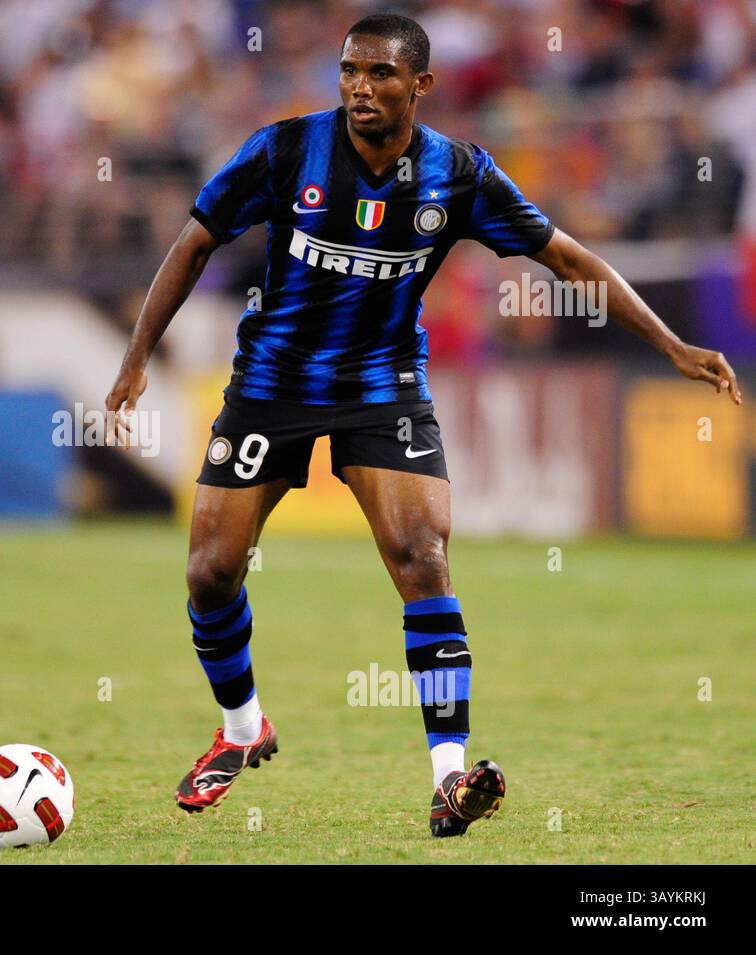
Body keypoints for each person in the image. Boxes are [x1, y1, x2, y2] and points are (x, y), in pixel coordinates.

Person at [105, 13, 740, 835]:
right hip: (273, 383)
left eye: (380, 74)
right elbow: (192, 244)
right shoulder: (285, 152)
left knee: (423, 557)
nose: (361, 88)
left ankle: (449, 775)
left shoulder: (460, 175)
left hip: (382, 385)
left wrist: (672, 343)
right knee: (209, 572)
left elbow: (569, 258)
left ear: (421, 85)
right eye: (349, 73)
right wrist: (135, 358)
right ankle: (241, 727)